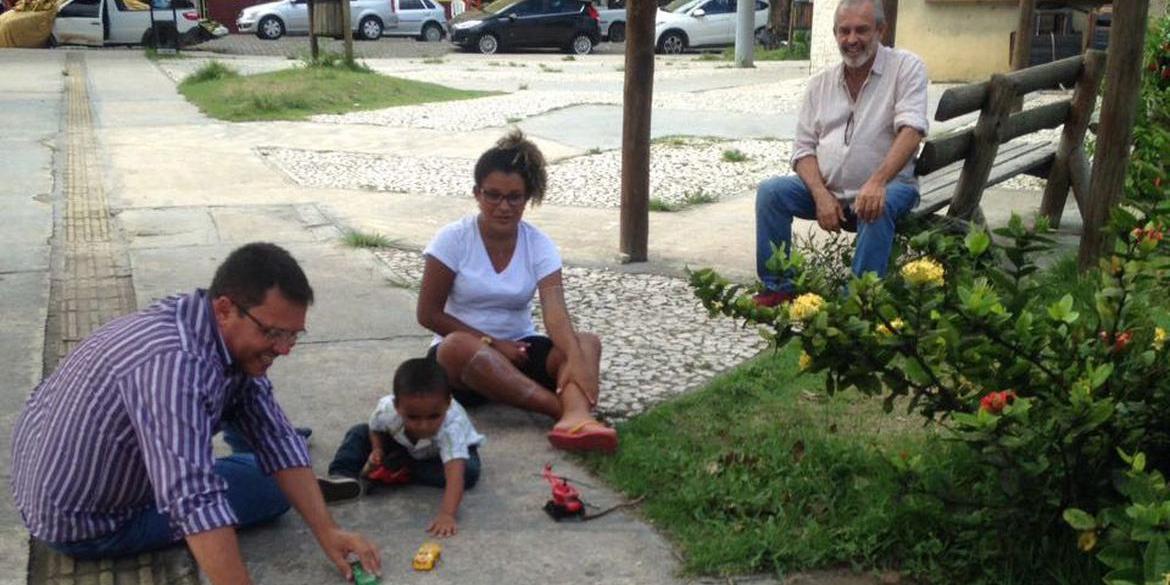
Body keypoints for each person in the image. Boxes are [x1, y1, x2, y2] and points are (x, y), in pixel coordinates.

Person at [9, 243, 381, 584]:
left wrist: (328, 531)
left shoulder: (200, 321)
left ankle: (244, 450)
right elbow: (194, 499)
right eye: (273, 333)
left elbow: (276, 435)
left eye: (293, 336)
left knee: (271, 435)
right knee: (269, 489)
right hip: (82, 522)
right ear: (224, 308)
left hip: (52, 475)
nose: (284, 349)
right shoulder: (173, 367)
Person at [417, 130, 618, 453]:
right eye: (493, 195)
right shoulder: (452, 239)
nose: (503, 206)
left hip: (522, 350)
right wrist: (493, 343)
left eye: (514, 197)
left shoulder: (538, 244)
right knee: (456, 347)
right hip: (463, 359)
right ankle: (562, 410)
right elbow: (428, 314)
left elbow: (555, 313)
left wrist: (577, 357)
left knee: (585, 343)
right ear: (477, 194)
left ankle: (577, 420)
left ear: (527, 198)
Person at [754, 0, 928, 306]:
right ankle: (778, 287)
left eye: (861, 30)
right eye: (844, 31)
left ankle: (857, 303)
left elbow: (911, 131)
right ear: (835, 34)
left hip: (892, 187)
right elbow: (803, 149)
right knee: (771, 193)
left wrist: (876, 183)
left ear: (880, 30)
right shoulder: (819, 84)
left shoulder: (905, 67)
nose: (852, 39)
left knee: (877, 205)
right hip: (831, 191)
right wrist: (820, 194)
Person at [317, 358, 483, 537]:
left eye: (433, 416)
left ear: (448, 404)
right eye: (413, 417)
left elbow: (455, 475)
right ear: (397, 406)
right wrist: (377, 449)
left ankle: (401, 469)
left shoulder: (452, 427)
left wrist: (447, 515)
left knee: (469, 472)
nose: (423, 426)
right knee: (358, 432)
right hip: (401, 444)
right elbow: (375, 428)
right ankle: (341, 477)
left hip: (439, 456)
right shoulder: (386, 410)